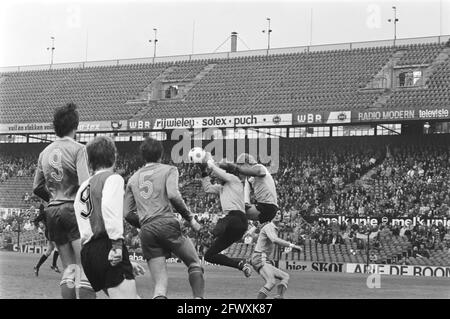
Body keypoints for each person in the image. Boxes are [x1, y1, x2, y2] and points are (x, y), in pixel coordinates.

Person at [124, 137, 204, 299]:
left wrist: (146, 224)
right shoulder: (169, 170)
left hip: (146, 230)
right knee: (194, 263)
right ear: (161, 154)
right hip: (167, 224)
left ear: (143, 156)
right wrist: (191, 219)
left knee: (160, 286)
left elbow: (127, 213)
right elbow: (174, 195)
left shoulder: (132, 179)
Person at [32, 102, 95, 299]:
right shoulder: (78, 149)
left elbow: (36, 187)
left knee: (69, 268)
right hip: (71, 209)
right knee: (86, 266)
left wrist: (52, 198)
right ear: (75, 127)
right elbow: (86, 184)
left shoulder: (45, 152)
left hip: (52, 212)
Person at [74, 136, 144, 298]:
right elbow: (109, 209)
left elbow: (84, 224)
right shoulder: (112, 178)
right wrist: (117, 247)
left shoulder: (83, 187)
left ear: (90, 162)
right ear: (114, 156)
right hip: (107, 246)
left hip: (89, 253)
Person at [200, 153, 252, 277]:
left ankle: (211, 235)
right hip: (233, 229)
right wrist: (203, 171)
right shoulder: (221, 187)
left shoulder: (234, 180)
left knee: (223, 221)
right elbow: (207, 188)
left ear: (227, 172)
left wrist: (210, 164)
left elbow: (221, 173)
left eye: (219, 175)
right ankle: (240, 265)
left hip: (238, 219)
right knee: (209, 256)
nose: (217, 178)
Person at [251, 211, 302, 299]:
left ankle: (279, 297)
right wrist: (292, 245)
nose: (276, 215)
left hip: (263, 258)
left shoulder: (274, 228)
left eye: (278, 213)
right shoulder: (269, 226)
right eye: (274, 213)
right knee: (271, 282)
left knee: (285, 276)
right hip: (260, 257)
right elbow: (274, 240)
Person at [219, 153, 278, 224]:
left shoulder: (260, 167)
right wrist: (246, 203)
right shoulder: (249, 180)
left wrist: (233, 166)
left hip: (268, 207)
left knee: (234, 212)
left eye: (242, 165)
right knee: (235, 211)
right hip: (264, 207)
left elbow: (248, 171)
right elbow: (246, 192)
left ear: (247, 163)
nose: (241, 168)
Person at [33, 202, 60, 276]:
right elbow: (35, 220)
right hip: (50, 233)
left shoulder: (54, 212)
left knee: (48, 251)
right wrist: (39, 229)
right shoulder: (45, 213)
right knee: (58, 248)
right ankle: (54, 265)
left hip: (52, 232)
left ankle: (37, 267)